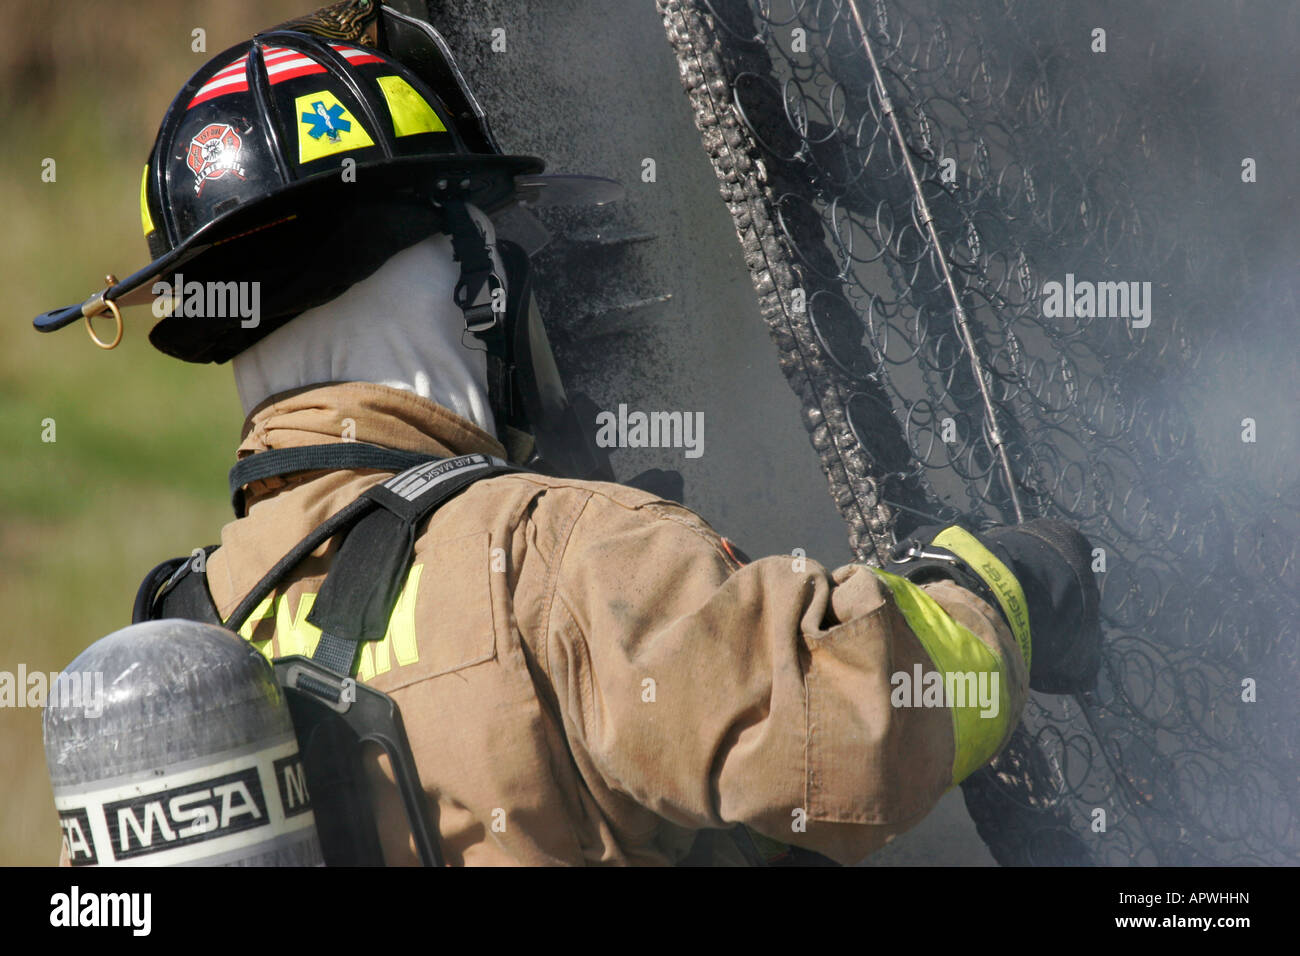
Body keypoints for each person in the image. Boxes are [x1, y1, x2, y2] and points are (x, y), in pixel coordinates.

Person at [36, 6, 1100, 866]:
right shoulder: (561, 551)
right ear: (471, 270)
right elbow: (843, 739)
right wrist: (996, 592)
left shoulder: (198, 619)